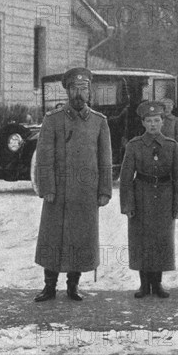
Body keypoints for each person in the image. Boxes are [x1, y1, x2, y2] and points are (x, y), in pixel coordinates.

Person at [34, 67, 113, 302]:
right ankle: (49, 287)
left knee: (80, 239)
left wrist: (104, 191)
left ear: (89, 93)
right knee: (53, 238)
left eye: (83, 89)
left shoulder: (99, 122)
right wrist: (47, 187)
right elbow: (44, 157)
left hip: (85, 194)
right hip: (58, 193)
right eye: (75, 89)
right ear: (67, 91)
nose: (79, 93)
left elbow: (105, 160)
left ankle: (73, 286)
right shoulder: (53, 120)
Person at [119, 101, 178, 299]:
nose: (153, 125)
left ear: (162, 122)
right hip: (141, 198)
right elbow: (125, 179)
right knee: (142, 242)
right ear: (143, 123)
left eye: (156, 120)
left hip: (165, 199)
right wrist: (128, 205)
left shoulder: (171, 146)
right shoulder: (134, 146)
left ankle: (157, 284)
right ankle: (144, 285)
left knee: (161, 241)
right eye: (149, 121)